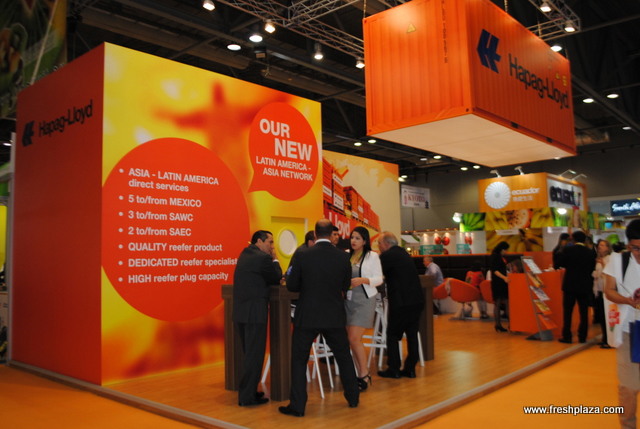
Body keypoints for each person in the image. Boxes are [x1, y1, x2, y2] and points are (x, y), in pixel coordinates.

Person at [279, 219, 359, 417]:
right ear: (331, 234)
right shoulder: (343, 257)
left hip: (307, 315)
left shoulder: (303, 255)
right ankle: (353, 397)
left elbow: (292, 285)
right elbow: (345, 285)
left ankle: (298, 406)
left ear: (314, 234)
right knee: (343, 356)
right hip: (334, 314)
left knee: (299, 360)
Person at [232, 230, 282, 407]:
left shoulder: (245, 254)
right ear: (259, 241)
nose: (272, 246)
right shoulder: (263, 258)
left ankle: (250, 391)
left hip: (241, 313)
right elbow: (276, 277)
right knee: (254, 356)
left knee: (249, 355)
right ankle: (247, 397)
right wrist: (275, 259)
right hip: (254, 314)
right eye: (270, 242)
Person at [603, 219, 640, 429]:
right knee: (629, 386)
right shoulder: (618, 261)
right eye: (635, 248)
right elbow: (609, 291)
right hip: (629, 331)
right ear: (628, 245)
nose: (639, 253)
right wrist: (627, 300)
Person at [376, 231, 425, 379]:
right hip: (416, 300)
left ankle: (394, 369)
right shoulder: (404, 253)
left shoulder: (387, 256)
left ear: (386, 244)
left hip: (401, 301)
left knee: (392, 335)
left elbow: (376, 274)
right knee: (412, 334)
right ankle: (410, 369)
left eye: (379, 243)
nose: (378, 247)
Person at [345, 226, 383, 391]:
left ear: (365, 241)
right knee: (351, 339)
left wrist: (363, 280)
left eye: (358, 238)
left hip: (365, 299)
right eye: (352, 237)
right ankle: (359, 372)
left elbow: (379, 278)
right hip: (348, 300)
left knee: (354, 338)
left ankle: (364, 374)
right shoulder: (347, 255)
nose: (354, 241)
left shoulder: (372, 256)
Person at [557, 230, 596, 344]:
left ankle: (567, 336)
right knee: (583, 313)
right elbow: (592, 268)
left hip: (570, 285)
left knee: (568, 312)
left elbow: (560, 264)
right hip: (584, 286)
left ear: (573, 239)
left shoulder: (568, 250)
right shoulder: (590, 252)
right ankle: (582, 336)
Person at [593, 239, 613, 349]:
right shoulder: (599, 259)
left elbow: (609, 274)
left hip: (607, 291)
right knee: (601, 316)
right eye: (599, 245)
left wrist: (603, 264)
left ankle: (608, 339)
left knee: (606, 316)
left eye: (602, 245)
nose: (600, 247)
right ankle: (604, 337)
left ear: (607, 248)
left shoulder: (610, 259)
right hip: (599, 290)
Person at [490, 241, 510, 332]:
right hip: (498, 282)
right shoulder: (495, 257)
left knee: (502, 302)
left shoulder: (500, 256)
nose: (506, 252)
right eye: (506, 250)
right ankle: (498, 324)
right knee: (499, 303)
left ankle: (500, 324)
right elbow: (495, 270)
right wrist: (504, 277)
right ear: (502, 249)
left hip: (502, 282)